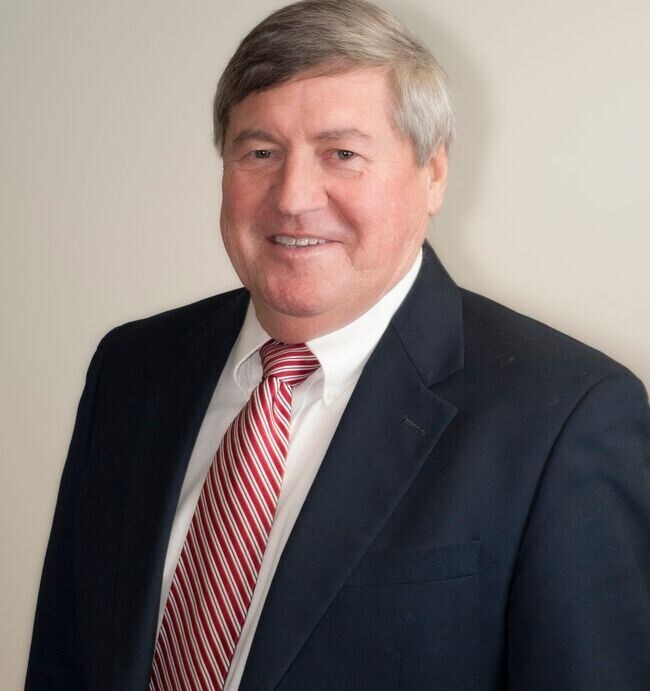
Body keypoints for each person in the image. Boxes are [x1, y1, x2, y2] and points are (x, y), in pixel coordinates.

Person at [26, 1, 649, 689]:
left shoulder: (565, 417)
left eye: (342, 154)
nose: (293, 197)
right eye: (260, 152)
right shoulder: (131, 369)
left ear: (434, 173)